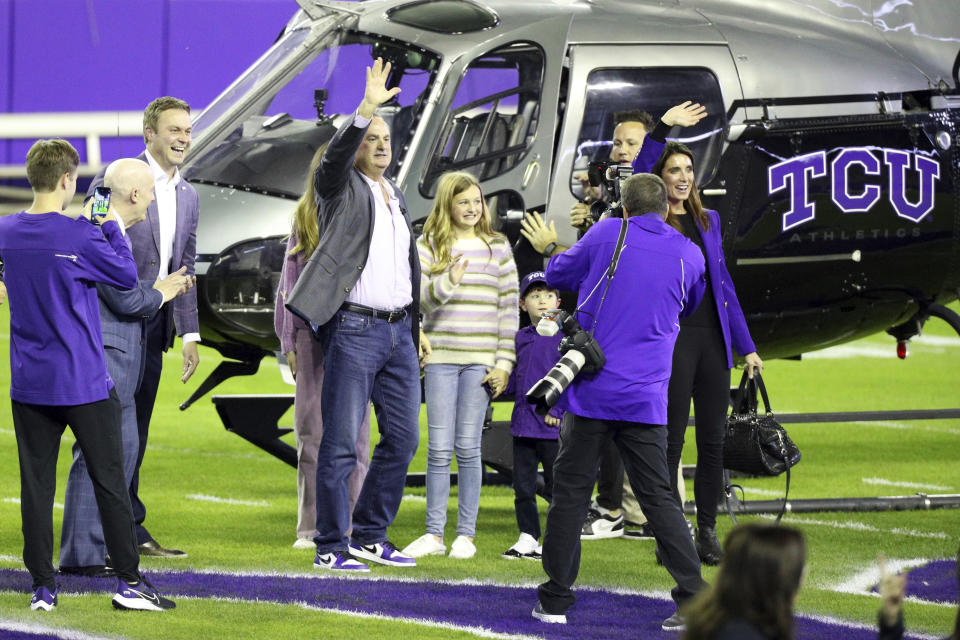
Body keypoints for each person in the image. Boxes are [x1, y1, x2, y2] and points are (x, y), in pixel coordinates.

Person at [521, 102, 708, 542]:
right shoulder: (623, 215)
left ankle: (561, 584)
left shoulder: (659, 222)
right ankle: (668, 557)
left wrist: (560, 250)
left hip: (627, 364)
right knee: (651, 478)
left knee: (598, 479)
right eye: (619, 143)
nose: (623, 151)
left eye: (632, 143)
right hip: (639, 369)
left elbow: (566, 270)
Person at [1, 139, 174, 611]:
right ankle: (130, 584)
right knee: (111, 482)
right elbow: (122, 275)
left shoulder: (6, 231)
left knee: (36, 488)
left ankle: (42, 586)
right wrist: (104, 226)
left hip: (29, 382)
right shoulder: (79, 234)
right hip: (81, 380)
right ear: (66, 181)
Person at [532, 172, 706, 631]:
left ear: (623, 207)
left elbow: (556, 274)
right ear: (667, 206)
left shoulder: (608, 231)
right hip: (647, 398)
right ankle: (693, 600)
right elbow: (687, 306)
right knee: (659, 500)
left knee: (569, 495)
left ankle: (554, 600)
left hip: (591, 393)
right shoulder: (689, 254)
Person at [285, 58, 428, 572]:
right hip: (355, 328)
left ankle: (369, 534)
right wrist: (365, 110)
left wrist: (416, 328)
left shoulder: (394, 194)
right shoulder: (338, 188)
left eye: (386, 136)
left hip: (397, 332)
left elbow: (403, 268)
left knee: (405, 438)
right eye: (372, 137)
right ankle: (329, 546)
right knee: (341, 443)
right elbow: (333, 161)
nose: (381, 144)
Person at [59, 159, 194, 576]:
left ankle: (106, 547)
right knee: (98, 454)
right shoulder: (101, 218)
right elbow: (123, 297)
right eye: (150, 193)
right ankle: (82, 556)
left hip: (127, 350)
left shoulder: (181, 196)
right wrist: (162, 290)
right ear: (135, 194)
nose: (153, 200)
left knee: (121, 453)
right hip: (107, 349)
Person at [636, 128, 762, 565]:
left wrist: (746, 347)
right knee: (668, 446)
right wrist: (659, 133)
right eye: (674, 170)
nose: (684, 176)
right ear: (660, 177)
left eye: (689, 169)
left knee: (712, 443)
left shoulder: (710, 220)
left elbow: (723, 286)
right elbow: (634, 175)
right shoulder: (648, 221)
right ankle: (670, 534)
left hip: (713, 343)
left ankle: (706, 532)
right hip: (671, 343)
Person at [87, 96, 200, 558]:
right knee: (109, 430)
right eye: (174, 130)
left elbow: (186, 265)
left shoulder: (189, 193)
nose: (183, 139)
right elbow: (90, 230)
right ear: (149, 134)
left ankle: (128, 528)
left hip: (157, 327)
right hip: (113, 322)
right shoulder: (117, 175)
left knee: (138, 430)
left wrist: (190, 332)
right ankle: (104, 533)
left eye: (188, 131)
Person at [403, 171, 518, 560]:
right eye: (463, 201)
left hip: (480, 362)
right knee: (438, 449)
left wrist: (504, 363)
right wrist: (448, 281)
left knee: (468, 447)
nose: (472, 208)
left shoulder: (498, 246)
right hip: (439, 360)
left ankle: (465, 535)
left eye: (477, 201)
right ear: (447, 204)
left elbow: (508, 311)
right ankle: (434, 534)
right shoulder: (427, 245)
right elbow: (419, 303)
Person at [274, 146, 373, 550]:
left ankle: (351, 525)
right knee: (311, 435)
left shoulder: (368, 216)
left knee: (357, 438)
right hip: (312, 339)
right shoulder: (305, 219)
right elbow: (289, 284)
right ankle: (311, 526)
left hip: (358, 334)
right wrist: (289, 339)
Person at [682, 524, 908, 640]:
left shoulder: (739, 623)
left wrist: (890, 621)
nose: (804, 573)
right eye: (797, 568)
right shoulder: (740, 635)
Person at [500, 271, 562, 560]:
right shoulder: (520, 338)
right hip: (523, 428)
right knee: (523, 487)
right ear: (523, 304)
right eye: (535, 295)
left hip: (551, 429)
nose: (542, 301)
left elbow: (574, 379)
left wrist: (558, 410)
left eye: (548, 295)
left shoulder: (566, 338)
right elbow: (518, 380)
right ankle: (527, 536)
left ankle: (552, 540)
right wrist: (497, 384)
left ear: (558, 301)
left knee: (555, 488)